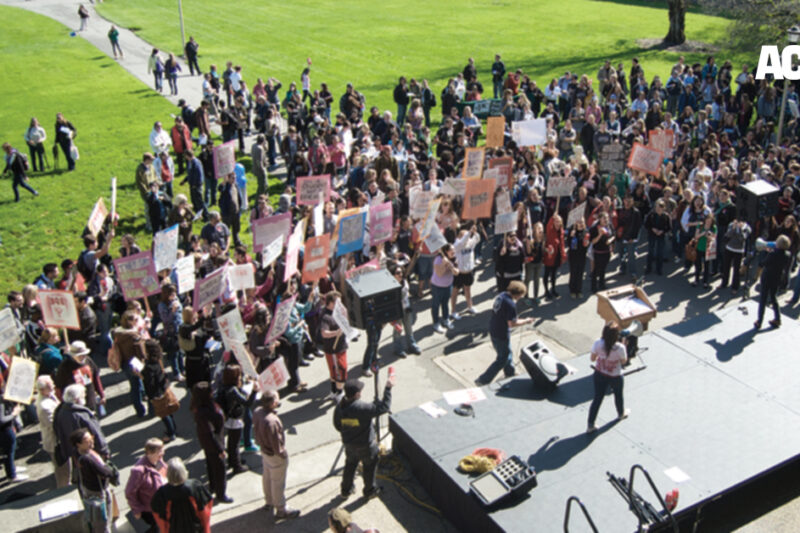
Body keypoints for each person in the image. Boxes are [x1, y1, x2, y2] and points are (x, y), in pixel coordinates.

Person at [333, 375, 394, 499]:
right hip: (366, 446)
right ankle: (369, 491)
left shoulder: (340, 407)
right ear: (356, 394)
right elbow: (384, 407)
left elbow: (337, 425)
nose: (361, 393)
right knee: (369, 468)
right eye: (360, 391)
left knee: (350, 466)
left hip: (349, 444)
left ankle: (345, 490)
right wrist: (388, 389)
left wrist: (349, 432)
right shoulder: (361, 408)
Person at [475, 280, 534, 385]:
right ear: (517, 294)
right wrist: (526, 321)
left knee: (507, 352)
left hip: (494, 328)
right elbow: (512, 323)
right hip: (501, 333)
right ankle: (483, 380)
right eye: (521, 295)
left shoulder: (501, 295)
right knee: (502, 358)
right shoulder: (510, 304)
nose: (520, 298)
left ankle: (510, 372)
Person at [253, 390, 300, 520]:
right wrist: (283, 455)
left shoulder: (257, 412)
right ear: (273, 403)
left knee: (267, 477)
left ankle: (269, 502)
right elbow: (277, 445)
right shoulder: (272, 421)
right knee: (278, 482)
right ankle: (280, 508)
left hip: (264, 451)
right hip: (275, 455)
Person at [191, 381, 231, 504]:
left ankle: (213, 487)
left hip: (208, 443)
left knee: (211, 465)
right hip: (214, 444)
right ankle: (221, 494)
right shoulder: (204, 413)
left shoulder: (200, 407)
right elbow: (211, 434)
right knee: (219, 468)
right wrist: (220, 450)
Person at [71, 427, 118, 533]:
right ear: (78, 444)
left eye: (91, 438)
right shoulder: (88, 459)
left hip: (88, 490)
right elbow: (107, 473)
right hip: (99, 492)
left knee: (98, 521)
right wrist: (108, 466)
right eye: (87, 441)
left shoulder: (77, 452)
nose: (91, 441)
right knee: (104, 522)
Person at [587, 322, 630, 433]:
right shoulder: (620, 348)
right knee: (618, 395)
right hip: (615, 376)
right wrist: (624, 345)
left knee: (597, 399)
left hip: (600, 374)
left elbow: (592, 358)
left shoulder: (598, 343)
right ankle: (621, 413)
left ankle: (590, 425)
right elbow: (624, 361)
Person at [151, 457, 213, 533]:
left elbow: (160, 518)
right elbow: (205, 510)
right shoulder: (195, 486)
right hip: (195, 528)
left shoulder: (162, 493)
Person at [218, 364, 255, 475]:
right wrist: (255, 391)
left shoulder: (224, 385)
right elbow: (247, 402)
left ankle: (233, 460)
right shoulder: (233, 390)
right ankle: (236, 465)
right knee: (235, 443)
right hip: (235, 419)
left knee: (231, 442)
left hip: (229, 418)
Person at [125, 438, 167, 533]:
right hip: (150, 510)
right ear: (149, 453)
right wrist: (137, 510)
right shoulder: (139, 471)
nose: (163, 453)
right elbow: (129, 492)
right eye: (159, 451)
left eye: (162, 449)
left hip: (162, 504)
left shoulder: (158, 460)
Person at [36, 375, 70, 487]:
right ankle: (63, 490)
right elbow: (54, 425)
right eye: (50, 385)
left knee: (66, 468)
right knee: (63, 471)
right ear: (42, 390)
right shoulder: (44, 406)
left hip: (59, 440)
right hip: (55, 443)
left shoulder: (49, 395)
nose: (54, 386)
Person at [141, 340, 178, 442]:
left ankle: (171, 434)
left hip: (157, 393)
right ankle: (173, 429)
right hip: (163, 389)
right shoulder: (157, 359)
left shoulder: (148, 366)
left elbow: (150, 382)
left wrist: (141, 375)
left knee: (164, 414)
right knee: (168, 412)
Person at [754, 235, 791, 330]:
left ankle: (759, 321)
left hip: (767, 278)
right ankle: (777, 319)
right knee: (774, 298)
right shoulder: (787, 254)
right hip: (776, 278)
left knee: (763, 299)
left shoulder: (773, 254)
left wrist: (768, 253)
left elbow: (763, 263)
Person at [320, 291, 350, 401]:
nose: (340, 305)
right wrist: (335, 333)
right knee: (338, 369)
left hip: (341, 346)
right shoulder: (326, 316)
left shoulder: (338, 312)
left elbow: (346, 316)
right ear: (331, 303)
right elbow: (324, 333)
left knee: (339, 369)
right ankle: (339, 392)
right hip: (332, 349)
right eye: (338, 302)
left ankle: (334, 390)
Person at [431, 243, 459, 334]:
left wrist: (452, 267)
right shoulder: (438, 259)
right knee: (436, 305)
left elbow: (456, 272)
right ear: (446, 251)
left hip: (448, 285)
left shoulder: (455, 258)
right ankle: (436, 323)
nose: (453, 251)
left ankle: (445, 319)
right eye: (451, 250)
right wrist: (444, 264)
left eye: (454, 250)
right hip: (437, 286)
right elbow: (439, 273)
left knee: (445, 303)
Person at [0, 386, 26, 483]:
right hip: (5, 430)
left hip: (5, 430)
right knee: (9, 452)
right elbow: (1, 420)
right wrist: (14, 414)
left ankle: (12, 469)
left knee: (10, 452)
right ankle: (12, 475)